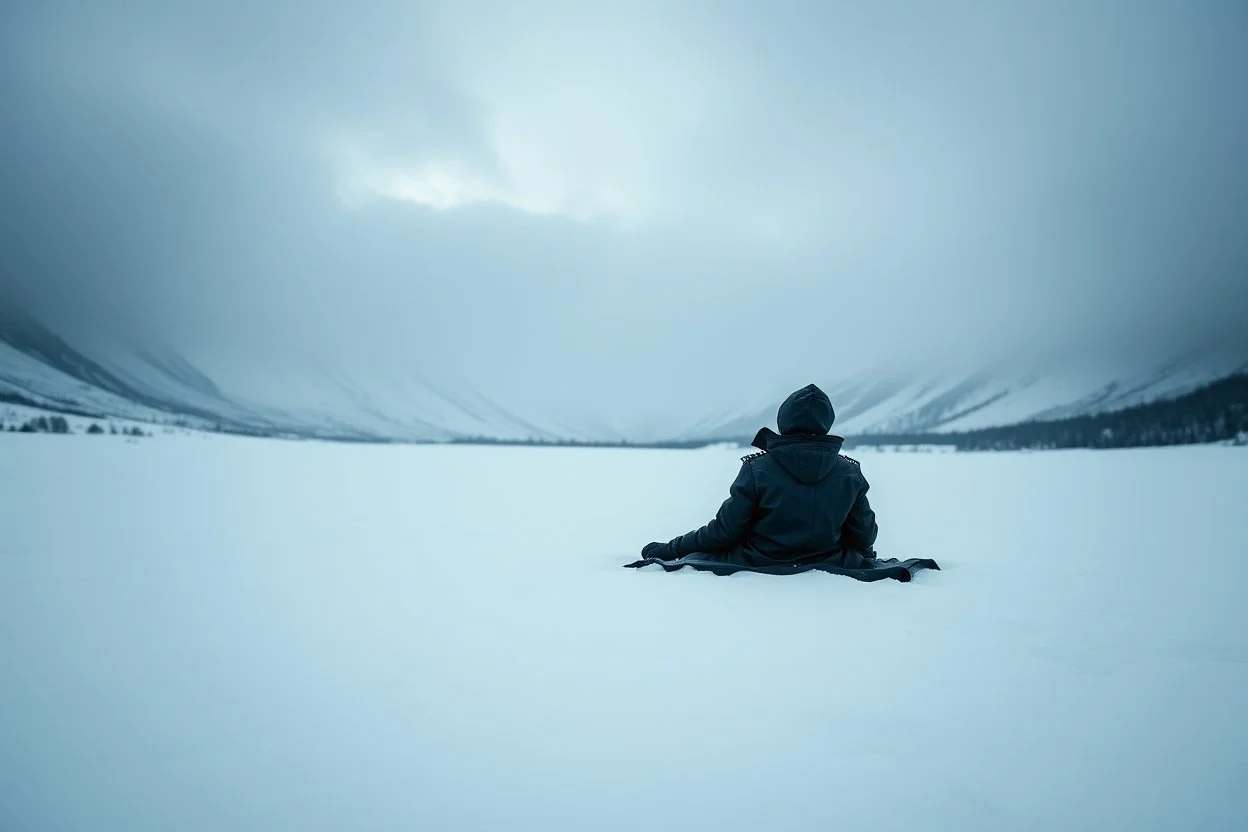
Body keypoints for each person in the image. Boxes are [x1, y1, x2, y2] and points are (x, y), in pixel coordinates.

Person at [640, 383, 879, 569]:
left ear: (784, 420)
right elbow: (863, 535)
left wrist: (673, 549)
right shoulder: (849, 473)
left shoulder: (757, 469)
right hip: (832, 564)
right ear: (827, 423)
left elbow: (724, 532)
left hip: (759, 562)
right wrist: (866, 559)